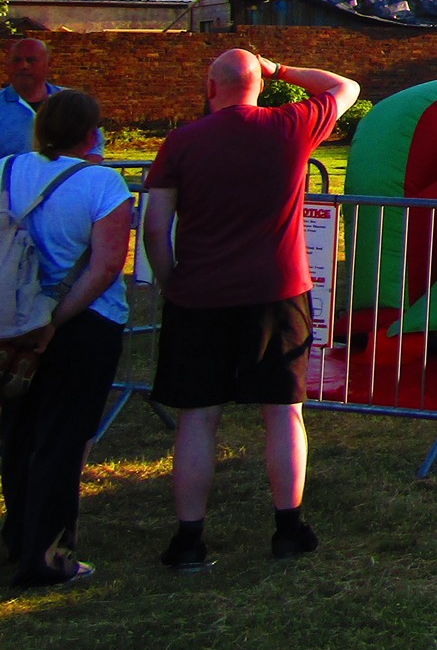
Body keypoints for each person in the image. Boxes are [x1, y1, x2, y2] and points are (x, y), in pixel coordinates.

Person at [143, 50, 358, 572]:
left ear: (209, 86)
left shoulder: (181, 142)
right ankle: (289, 529)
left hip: (199, 294)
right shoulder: (290, 126)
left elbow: (154, 226)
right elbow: (345, 86)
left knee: (198, 416)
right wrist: (279, 68)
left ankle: (189, 540)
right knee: (284, 412)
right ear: (259, 86)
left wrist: (171, 281)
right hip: (277, 292)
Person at [0, 90, 134, 587]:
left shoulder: (7, 170)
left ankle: (18, 536)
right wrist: (55, 320)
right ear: (90, 133)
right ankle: (48, 556)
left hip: (14, 320)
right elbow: (105, 267)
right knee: (62, 439)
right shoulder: (103, 183)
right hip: (84, 322)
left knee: (18, 434)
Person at [0, 39, 103, 161]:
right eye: (17, 60)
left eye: (31, 60)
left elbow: (95, 145)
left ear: (49, 63)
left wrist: (84, 170)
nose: (23, 66)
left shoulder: (71, 102)